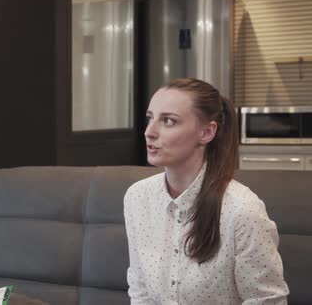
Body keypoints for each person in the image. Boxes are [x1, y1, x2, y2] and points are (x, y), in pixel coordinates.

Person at [124, 78, 289, 304]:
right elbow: (140, 289)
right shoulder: (137, 197)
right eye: (150, 118)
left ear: (206, 132)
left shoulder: (243, 210)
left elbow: (268, 300)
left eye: (168, 121)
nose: (149, 132)